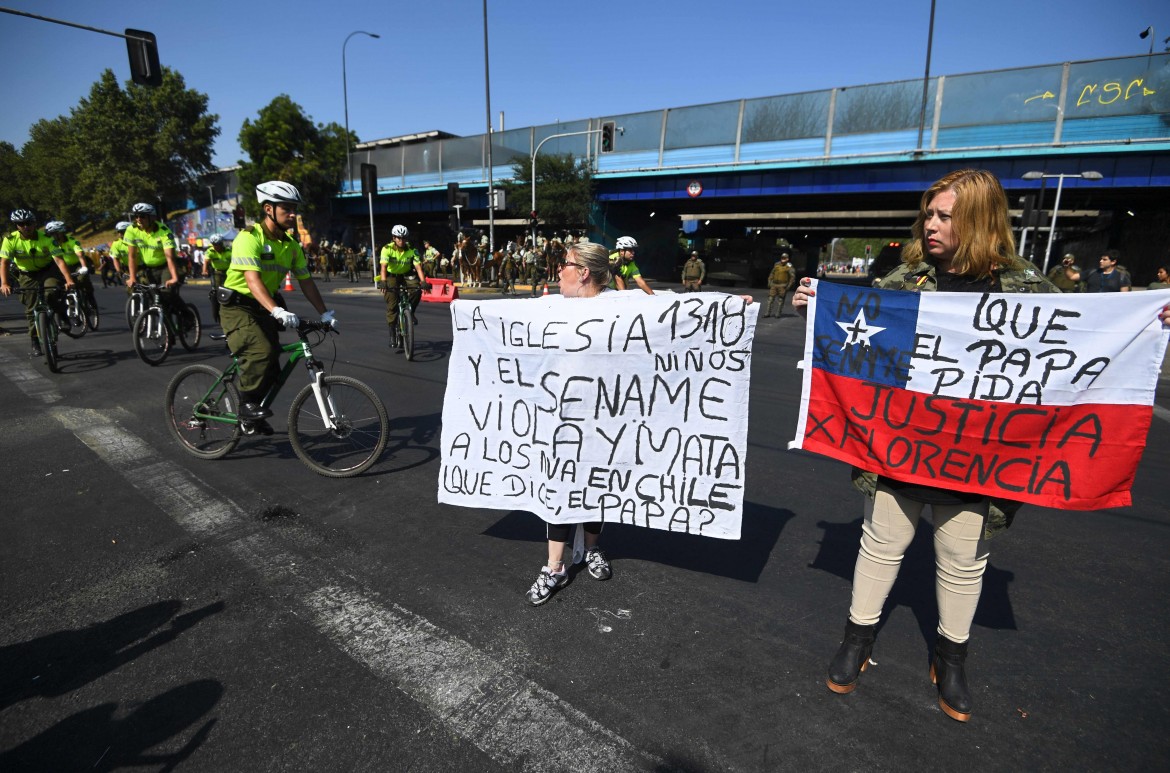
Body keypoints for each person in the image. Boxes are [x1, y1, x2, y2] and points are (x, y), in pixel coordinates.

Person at [795, 169, 1060, 723]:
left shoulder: (1028, 289)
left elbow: (1082, 341)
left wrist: (1149, 323)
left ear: (980, 221)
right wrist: (814, 308)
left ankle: (952, 657)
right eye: (930, 214)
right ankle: (857, 640)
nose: (930, 225)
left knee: (963, 562)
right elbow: (855, 327)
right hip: (899, 453)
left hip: (978, 461)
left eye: (945, 216)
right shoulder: (906, 280)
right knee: (879, 547)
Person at [527, 241, 755, 606]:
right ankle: (555, 566)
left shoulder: (622, 303)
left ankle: (590, 549)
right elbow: (504, 318)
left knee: (597, 486)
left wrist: (729, 306)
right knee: (561, 487)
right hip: (564, 421)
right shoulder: (552, 307)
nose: (558, 271)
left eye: (565, 264)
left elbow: (677, 308)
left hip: (608, 420)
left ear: (583, 272)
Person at [220, 181, 336, 432]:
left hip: (264, 306)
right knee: (262, 352)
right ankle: (246, 405)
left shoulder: (291, 245)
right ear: (268, 209)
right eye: (287, 208)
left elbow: (306, 282)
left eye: (294, 208)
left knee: (273, 365)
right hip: (238, 306)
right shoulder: (249, 237)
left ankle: (252, 417)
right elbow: (253, 281)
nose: (293, 214)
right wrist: (277, 310)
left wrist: (324, 313)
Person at [0, 209, 74, 355]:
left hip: (47, 271)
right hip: (27, 275)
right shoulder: (10, 240)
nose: (25, 227)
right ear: (17, 226)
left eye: (28, 223)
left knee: (52, 291)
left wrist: (69, 280)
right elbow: (4, 263)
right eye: (21, 224)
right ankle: (35, 340)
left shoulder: (46, 238)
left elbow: (59, 261)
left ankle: (62, 314)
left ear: (34, 223)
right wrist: (4, 283)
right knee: (30, 309)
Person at [124, 202, 182, 315]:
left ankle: (186, 314)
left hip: (165, 266)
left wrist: (174, 277)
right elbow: (132, 256)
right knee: (145, 292)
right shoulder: (131, 230)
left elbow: (170, 257)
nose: (139, 219)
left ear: (152, 217)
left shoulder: (164, 232)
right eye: (136, 216)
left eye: (142, 216)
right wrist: (132, 277)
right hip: (148, 267)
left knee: (167, 293)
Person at [378, 225, 428, 347]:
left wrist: (423, 282)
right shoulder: (386, 249)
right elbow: (383, 267)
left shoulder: (412, 249)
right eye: (399, 238)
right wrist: (383, 282)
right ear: (394, 238)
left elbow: (418, 267)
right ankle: (392, 335)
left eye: (404, 238)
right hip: (391, 275)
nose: (401, 241)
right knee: (392, 304)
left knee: (417, 290)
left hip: (406, 274)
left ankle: (410, 313)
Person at [203, 233, 231, 340]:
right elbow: (206, 261)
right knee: (216, 292)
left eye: (218, 244)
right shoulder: (210, 251)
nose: (216, 246)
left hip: (228, 273)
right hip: (217, 273)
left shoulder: (228, 251)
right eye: (214, 244)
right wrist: (204, 271)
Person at [764, 253, 795, 317]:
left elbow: (792, 277)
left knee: (780, 300)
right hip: (774, 285)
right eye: (782, 258)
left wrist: (789, 286)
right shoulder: (777, 265)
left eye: (785, 258)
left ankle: (778, 313)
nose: (783, 259)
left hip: (783, 285)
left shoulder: (789, 266)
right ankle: (767, 313)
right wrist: (769, 281)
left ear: (787, 259)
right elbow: (772, 273)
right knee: (770, 299)